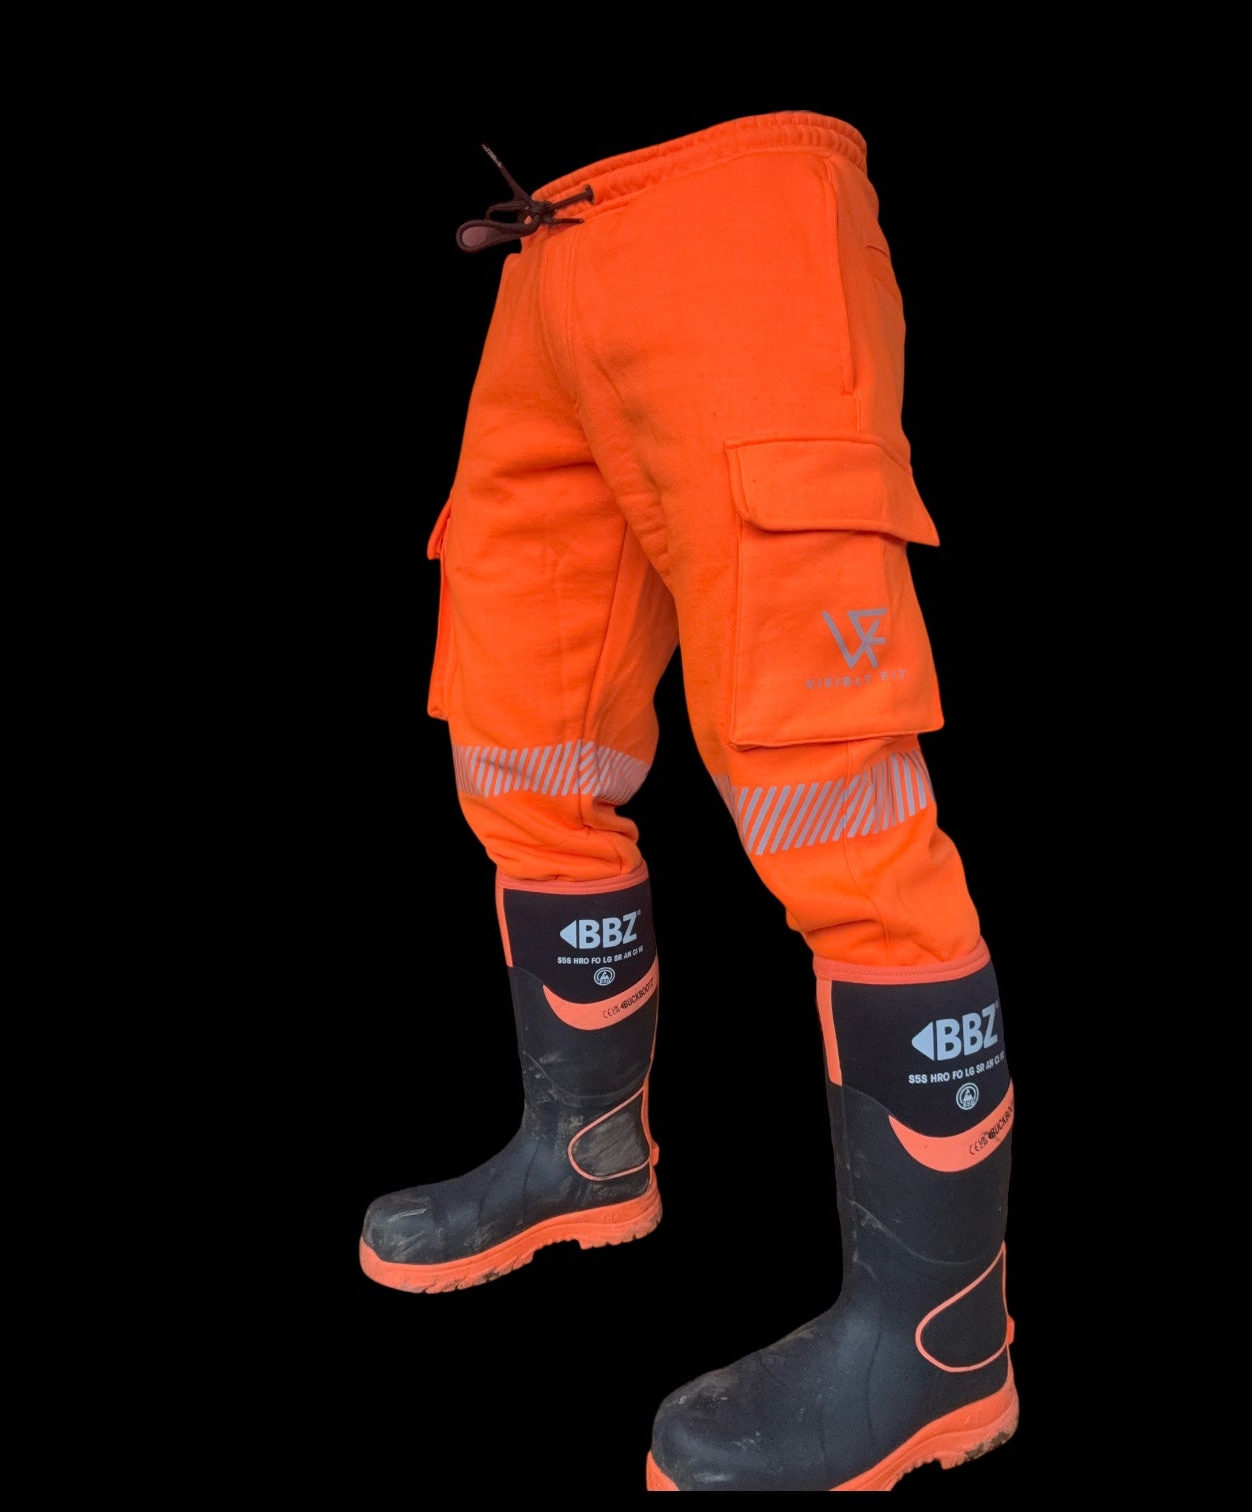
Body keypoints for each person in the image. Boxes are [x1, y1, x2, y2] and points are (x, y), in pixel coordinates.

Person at [358, 109, 1017, 1493]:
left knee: (834, 797)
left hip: (743, 223)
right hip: (546, 254)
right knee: (528, 743)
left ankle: (938, 1348)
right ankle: (585, 1155)